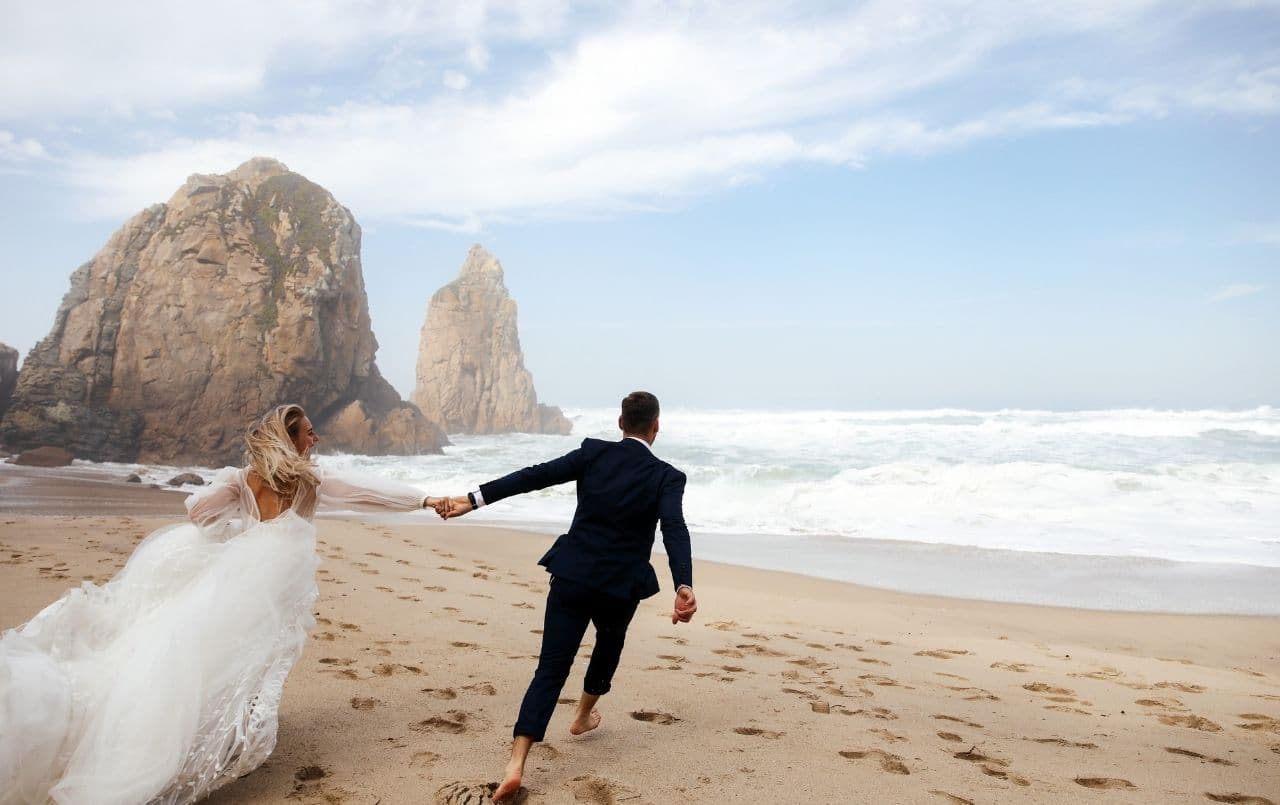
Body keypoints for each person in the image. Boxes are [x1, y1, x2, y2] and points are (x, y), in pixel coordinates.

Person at [0, 404, 447, 805]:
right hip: (277, 583)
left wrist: (230, 515)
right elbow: (367, 493)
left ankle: (210, 728)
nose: (315, 439)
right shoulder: (312, 479)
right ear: (289, 439)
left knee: (220, 654)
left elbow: (197, 513)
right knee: (254, 657)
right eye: (308, 433)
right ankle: (215, 738)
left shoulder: (243, 479)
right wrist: (425, 500)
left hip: (240, 574)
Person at [439, 391, 697, 803]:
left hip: (573, 574)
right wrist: (683, 583)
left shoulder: (593, 453)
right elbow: (674, 529)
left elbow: (532, 475)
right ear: (656, 426)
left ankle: (516, 764)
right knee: (608, 648)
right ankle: (580, 717)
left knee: (550, 669)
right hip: (619, 585)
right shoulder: (666, 476)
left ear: (620, 424)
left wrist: (473, 500)